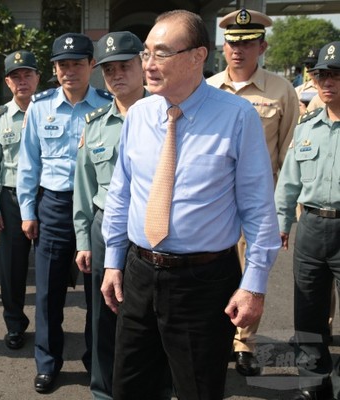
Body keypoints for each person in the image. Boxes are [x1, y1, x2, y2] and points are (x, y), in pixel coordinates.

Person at [100, 10, 281, 399]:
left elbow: (258, 205)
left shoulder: (237, 116)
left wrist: (254, 284)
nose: (148, 64)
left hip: (203, 281)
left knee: (198, 389)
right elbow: (122, 192)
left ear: (198, 56)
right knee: (130, 387)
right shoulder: (139, 115)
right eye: (146, 53)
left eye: (161, 54)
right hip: (139, 271)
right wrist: (113, 260)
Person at [17, 32, 112, 393]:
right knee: (48, 294)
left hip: (95, 208)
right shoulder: (40, 108)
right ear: (54, 70)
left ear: (91, 66)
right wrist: (29, 210)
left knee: (98, 295)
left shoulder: (106, 106)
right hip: (54, 207)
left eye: (76, 63)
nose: (69, 71)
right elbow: (29, 163)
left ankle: (97, 364)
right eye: (62, 65)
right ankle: (47, 362)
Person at [207, 7, 299, 377]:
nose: (238, 50)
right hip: (212, 203)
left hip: (257, 204)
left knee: (250, 274)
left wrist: (287, 210)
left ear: (261, 46)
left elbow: (291, 151)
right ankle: (215, 337)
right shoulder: (208, 88)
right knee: (210, 271)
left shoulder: (281, 90)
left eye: (246, 43)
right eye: (232, 43)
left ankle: (244, 343)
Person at [72, 31, 148, 400]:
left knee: (153, 315)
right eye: (109, 69)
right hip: (107, 228)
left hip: (155, 229)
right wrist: (84, 241)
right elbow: (84, 188)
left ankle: (155, 387)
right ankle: (103, 390)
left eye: (125, 66)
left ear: (143, 65)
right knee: (104, 315)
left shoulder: (169, 113)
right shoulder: (95, 124)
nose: (117, 75)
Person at [275, 41, 340, 400]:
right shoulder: (307, 127)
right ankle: (312, 384)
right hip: (312, 227)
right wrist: (282, 223)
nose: (326, 82)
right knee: (308, 311)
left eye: (335, 75)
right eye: (321, 75)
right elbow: (289, 182)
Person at [0, 50, 40, 350]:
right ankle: (15, 324)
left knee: (49, 268)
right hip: (11, 198)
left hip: (45, 197)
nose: (22, 81)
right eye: (15, 76)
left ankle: (46, 326)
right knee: (12, 268)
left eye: (27, 74)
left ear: (37, 78)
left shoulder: (50, 111)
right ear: (8, 82)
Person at [296, 48, 320, 115]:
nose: (309, 69)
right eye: (307, 65)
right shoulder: (298, 90)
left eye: (313, 65)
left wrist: (305, 114)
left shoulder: (330, 90)